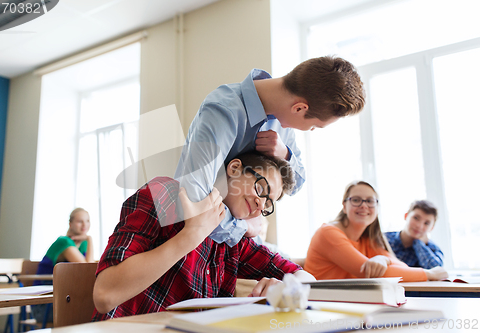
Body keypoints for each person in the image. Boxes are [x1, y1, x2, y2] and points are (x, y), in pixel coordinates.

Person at [92, 152, 315, 320]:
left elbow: (307, 278)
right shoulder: (165, 194)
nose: (260, 204)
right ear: (235, 168)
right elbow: (104, 295)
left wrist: (289, 286)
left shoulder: (234, 239)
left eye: (268, 204)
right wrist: (192, 234)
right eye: (261, 188)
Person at [175, 56, 366, 248]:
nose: (311, 130)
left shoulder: (283, 122)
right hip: (193, 240)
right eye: (315, 126)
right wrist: (243, 227)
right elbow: (193, 196)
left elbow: (296, 184)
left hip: (235, 244)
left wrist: (285, 155)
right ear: (299, 108)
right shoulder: (223, 110)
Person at [304, 181, 448, 282]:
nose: (364, 205)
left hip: (345, 303)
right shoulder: (328, 233)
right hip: (320, 304)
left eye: (370, 201)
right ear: (344, 205)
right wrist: (429, 274)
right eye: (356, 200)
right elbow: (371, 272)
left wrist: (383, 259)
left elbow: (401, 266)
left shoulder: (366, 238)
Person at [32, 208, 94, 323]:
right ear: (70, 224)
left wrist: (87, 241)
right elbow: (88, 269)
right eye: (80, 221)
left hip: (63, 301)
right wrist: (90, 239)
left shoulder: (82, 244)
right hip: (44, 306)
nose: (85, 224)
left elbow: (89, 271)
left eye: (87, 220)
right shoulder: (64, 242)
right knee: (92, 312)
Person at [385, 200, 443, 269]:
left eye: (426, 223)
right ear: (406, 216)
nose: (419, 226)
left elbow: (437, 270)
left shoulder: (433, 249)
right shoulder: (384, 238)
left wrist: (419, 243)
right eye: (416, 218)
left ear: (431, 228)